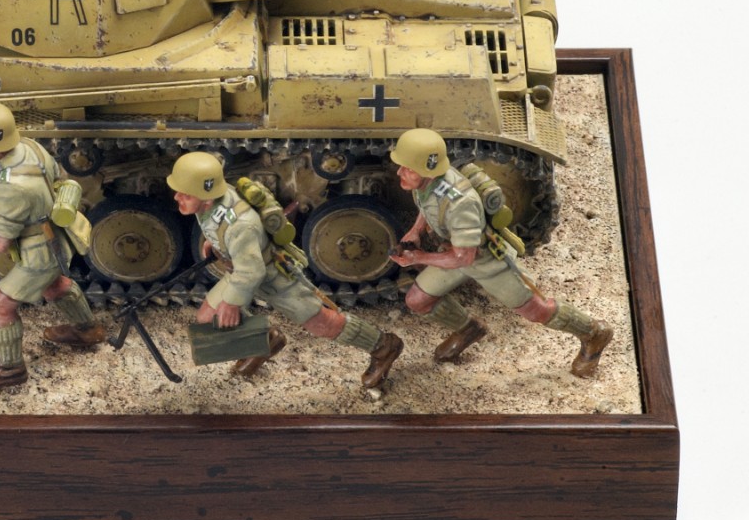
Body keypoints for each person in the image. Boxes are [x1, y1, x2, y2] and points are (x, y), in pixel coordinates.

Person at [388, 128, 613, 378]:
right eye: (402, 166)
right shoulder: (425, 184)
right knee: (417, 300)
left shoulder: (460, 203)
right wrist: (416, 231)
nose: (399, 172)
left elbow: (465, 257)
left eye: (408, 168)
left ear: (427, 170)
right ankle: (468, 329)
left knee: (537, 310)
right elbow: (427, 206)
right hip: (454, 253)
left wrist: (418, 258)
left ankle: (594, 333)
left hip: (485, 260)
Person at [167, 152, 403, 389]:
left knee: (322, 323)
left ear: (207, 198)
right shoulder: (211, 203)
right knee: (208, 317)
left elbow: (252, 272)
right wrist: (217, 242)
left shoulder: (240, 225)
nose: (176, 197)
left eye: (185, 194)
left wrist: (231, 303)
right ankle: (265, 341)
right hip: (243, 269)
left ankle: (383, 346)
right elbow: (221, 230)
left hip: (273, 275)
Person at [0, 102, 104, 393]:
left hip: (38, 252)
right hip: (56, 235)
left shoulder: (11, 188)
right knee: (56, 285)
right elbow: (57, 178)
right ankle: (88, 330)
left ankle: (10, 370)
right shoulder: (29, 147)